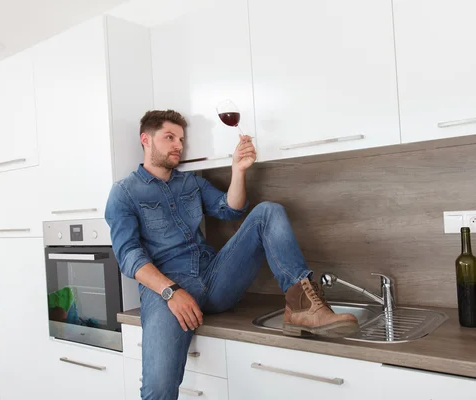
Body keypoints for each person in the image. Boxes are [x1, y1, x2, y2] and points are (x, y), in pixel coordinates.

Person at [105, 110, 359, 399]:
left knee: (268, 212)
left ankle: (300, 306)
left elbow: (231, 209)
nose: (179, 145)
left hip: (214, 279)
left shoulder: (191, 182)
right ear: (145, 140)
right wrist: (170, 292)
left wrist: (238, 169)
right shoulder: (124, 193)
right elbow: (128, 255)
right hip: (167, 290)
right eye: (170, 137)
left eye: (181, 139)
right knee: (158, 390)